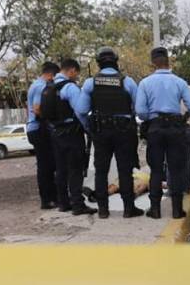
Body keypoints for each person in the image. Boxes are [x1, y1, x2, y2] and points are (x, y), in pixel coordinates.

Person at [76, 47, 143, 219]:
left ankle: (103, 210)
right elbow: (138, 108)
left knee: (101, 171)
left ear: (98, 63)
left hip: (101, 131)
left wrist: (88, 127)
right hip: (124, 131)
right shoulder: (127, 82)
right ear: (116, 62)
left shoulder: (90, 83)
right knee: (125, 170)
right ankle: (129, 209)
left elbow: (81, 110)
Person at [135, 46, 190, 219]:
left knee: (156, 170)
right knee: (176, 169)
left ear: (153, 62)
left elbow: (140, 111)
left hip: (155, 128)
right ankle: (177, 211)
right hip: (175, 128)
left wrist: (152, 117)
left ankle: (155, 210)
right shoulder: (179, 82)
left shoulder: (145, 83)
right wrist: (182, 117)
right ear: (168, 61)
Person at [44, 58, 96, 215]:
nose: (76, 77)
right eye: (76, 74)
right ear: (72, 70)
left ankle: (63, 203)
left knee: (60, 169)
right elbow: (80, 111)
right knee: (75, 169)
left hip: (55, 133)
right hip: (71, 134)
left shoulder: (49, 87)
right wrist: (88, 128)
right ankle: (78, 205)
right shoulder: (70, 87)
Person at [26, 61, 59, 209]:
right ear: (51, 74)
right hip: (40, 129)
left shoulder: (35, 84)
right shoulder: (41, 87)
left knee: (47, 165)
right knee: (46, 166)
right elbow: (37, 109)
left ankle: (50, 198)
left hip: (36, 128)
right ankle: (47, 200)